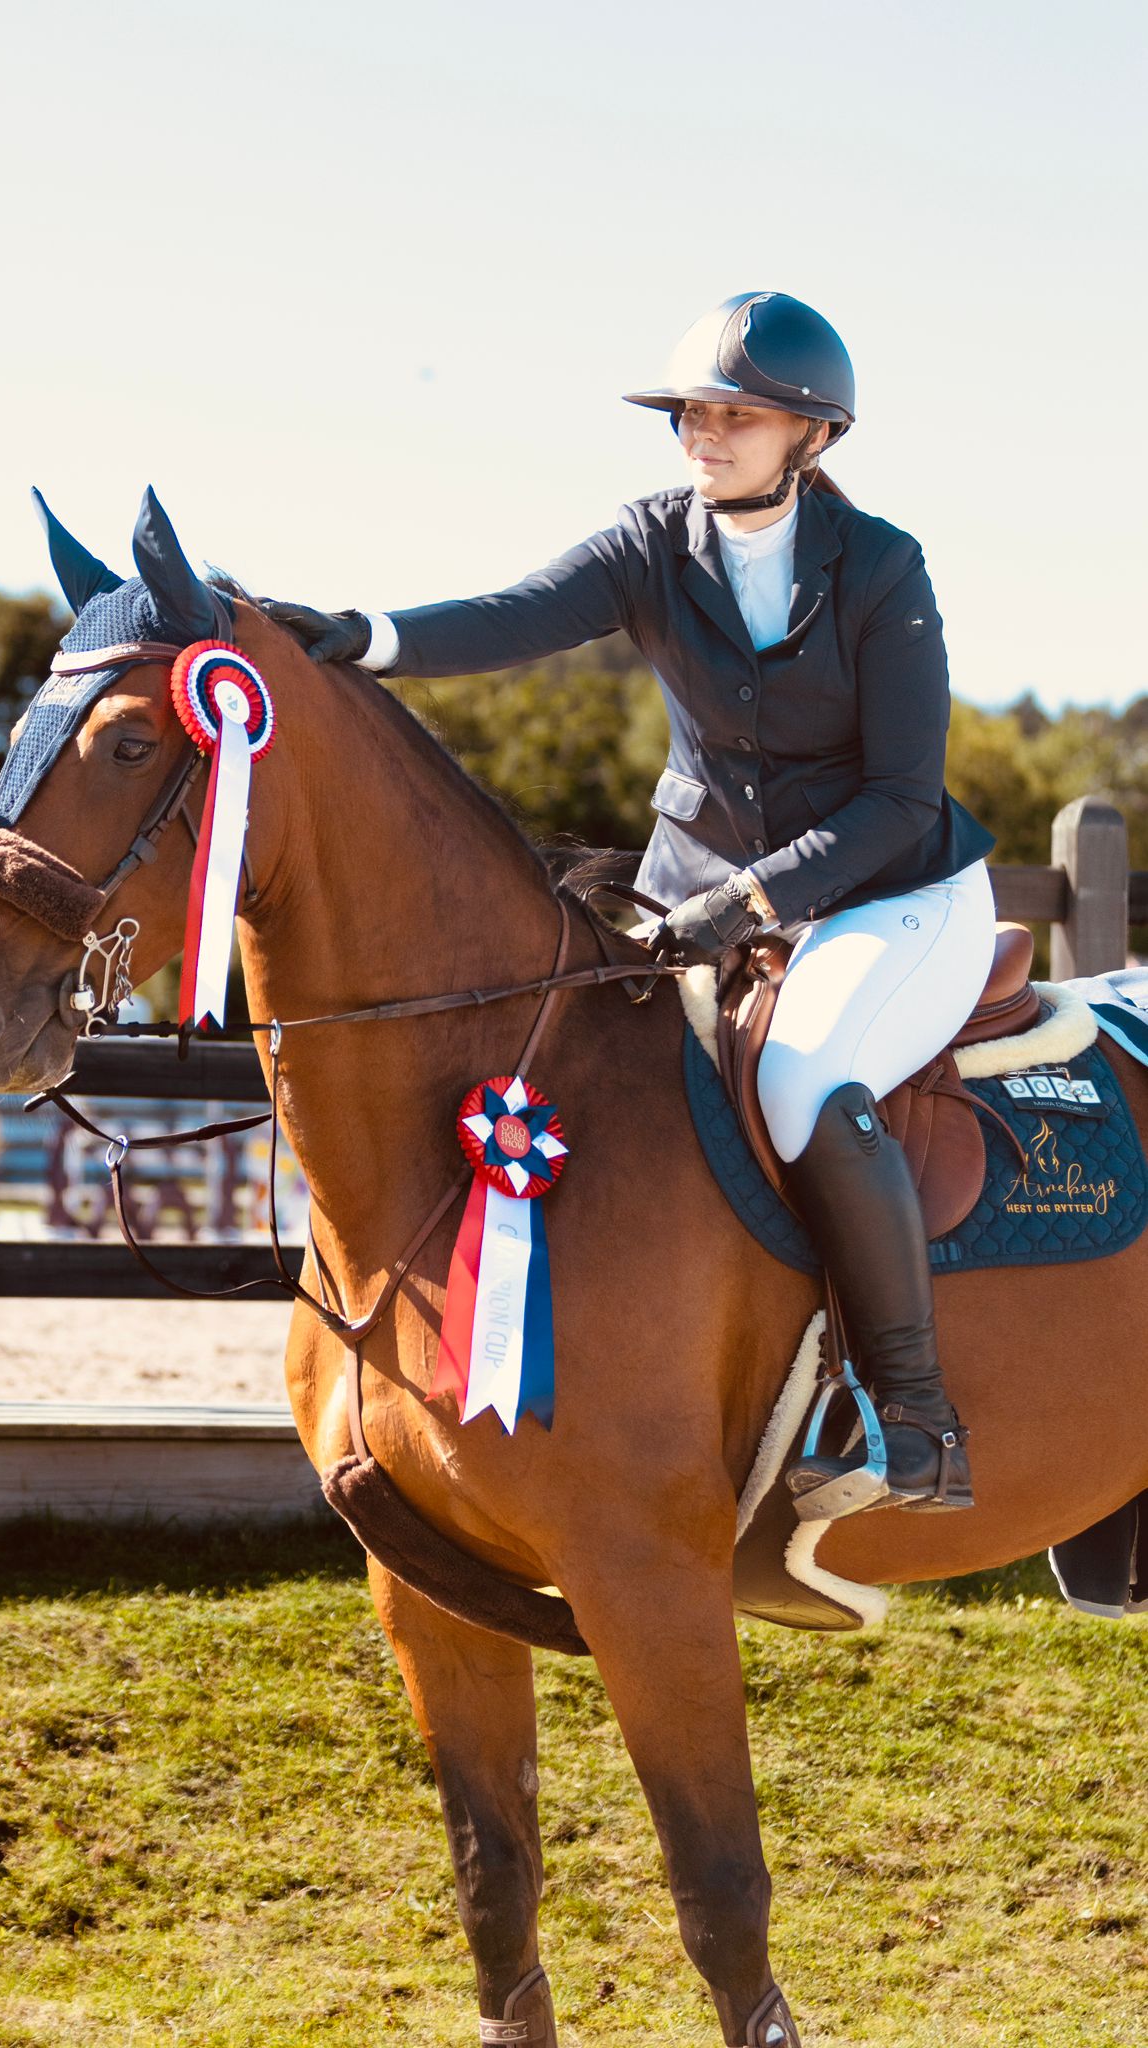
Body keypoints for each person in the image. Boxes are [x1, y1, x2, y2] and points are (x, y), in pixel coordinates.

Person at [263, 289, 996, 1518]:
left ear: (812, 434)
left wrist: (752, 899)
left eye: (735, 415)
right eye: (690, 412)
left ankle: (913, 1417)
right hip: (693, 890)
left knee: (802, 1079)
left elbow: (899, 800)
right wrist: (356, 634)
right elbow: (513, 614)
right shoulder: (650, 539)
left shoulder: (881, 566)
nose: (703, 432)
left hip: (890, 895)